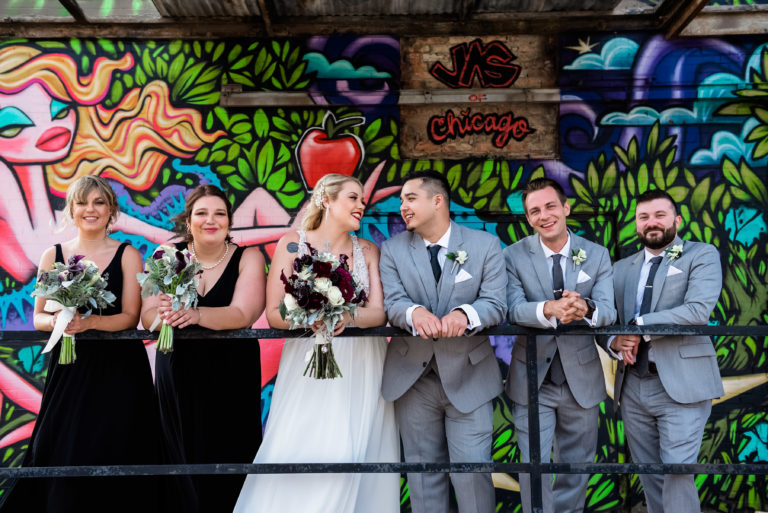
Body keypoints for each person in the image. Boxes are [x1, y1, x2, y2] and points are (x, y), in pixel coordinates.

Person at [234, 173, 400, 513]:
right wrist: (312, 314)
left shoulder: (368, 250)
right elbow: (276, 314)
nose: (361, 206)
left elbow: (379, 313)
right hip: (307, 361)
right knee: (305, 440)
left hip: (362, 362)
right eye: (353, 198)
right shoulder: (291, 245)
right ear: (327, 200)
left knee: (358, 445)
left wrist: (342, 315)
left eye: (363, 201)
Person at [1, 175, 159, 513]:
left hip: (119, 370)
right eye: (83, 202)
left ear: (110, 211)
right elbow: (39, 317)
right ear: (71, 210)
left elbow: (130, 316)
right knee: (63, 445)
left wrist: (88, 323)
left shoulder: (129, 255)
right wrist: (62, 322)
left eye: (99, 202)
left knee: (118, 443)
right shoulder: (52, 255)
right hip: (69, 368)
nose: (90, 209)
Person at [379, 170, 507, 513]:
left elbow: (495, 303)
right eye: (402, 200)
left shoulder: (484, 245)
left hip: (470, 376)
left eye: (410, 198)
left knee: (472, 475)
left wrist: (464, 315)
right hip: (413, 380)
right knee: (423, 476)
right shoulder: (391, 250)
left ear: (438, 201)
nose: (402, 206)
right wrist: (413, 313)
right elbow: (393, 302)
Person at [139, 185, 266, 513]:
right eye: (202, 213)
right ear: (189, 219)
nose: (211, 220)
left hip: (231, 372)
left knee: (231, 454)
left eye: (219, 213)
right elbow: (148, 317)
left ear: (229, 221)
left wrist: (196, 314)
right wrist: (164, 316)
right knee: (180, 454)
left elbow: (243, 313)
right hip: (178, 369)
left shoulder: (247, 257)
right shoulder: (166, 255)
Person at [599, 189, 723, 513]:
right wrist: (614, 341)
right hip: (634, 386)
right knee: (649, 475)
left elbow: (697, 311)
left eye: (659, 215)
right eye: (644, 217)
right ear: (636, 224)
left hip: (683, 383)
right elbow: (606, 319)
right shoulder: (621, 268)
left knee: (678, 472)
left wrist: (638, 326)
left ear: (677, 220)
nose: (651, 223)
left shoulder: (701, 254)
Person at [503, 177, 616, 513]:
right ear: (528, 218)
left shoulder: (597, 254)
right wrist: (548, 309)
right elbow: (511, 307)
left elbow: (608, 311)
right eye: (534, 210)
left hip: (581, 380)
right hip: (531, 378)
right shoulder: (512, 255)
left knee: (576, 467)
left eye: (550, 206)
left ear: (566, 208)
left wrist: (587, 308)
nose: (544, 215)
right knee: (533, 466)